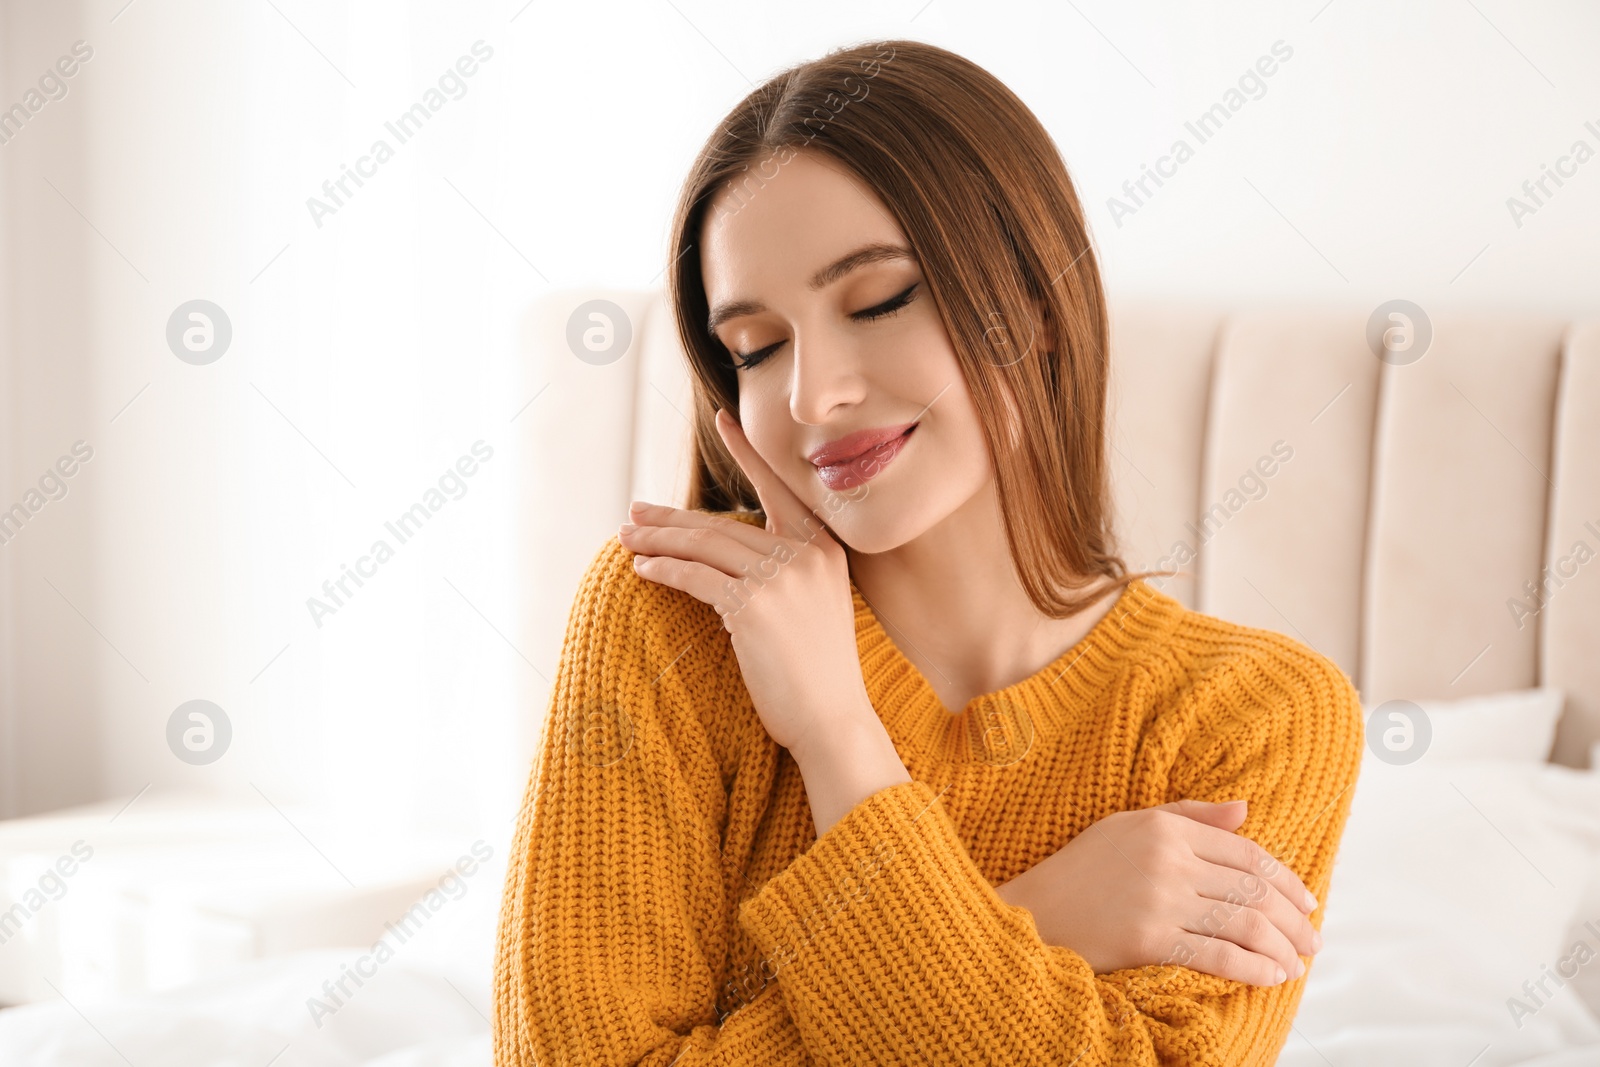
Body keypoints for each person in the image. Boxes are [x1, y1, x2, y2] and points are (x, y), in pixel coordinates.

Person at [493, 37, 1363, 1066]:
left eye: (877, 300)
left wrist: (850, 771)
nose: (814, 395)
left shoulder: (1251, 718)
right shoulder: (672, 617)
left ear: (1035, 305)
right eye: (756, 348)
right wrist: (1029, 910)